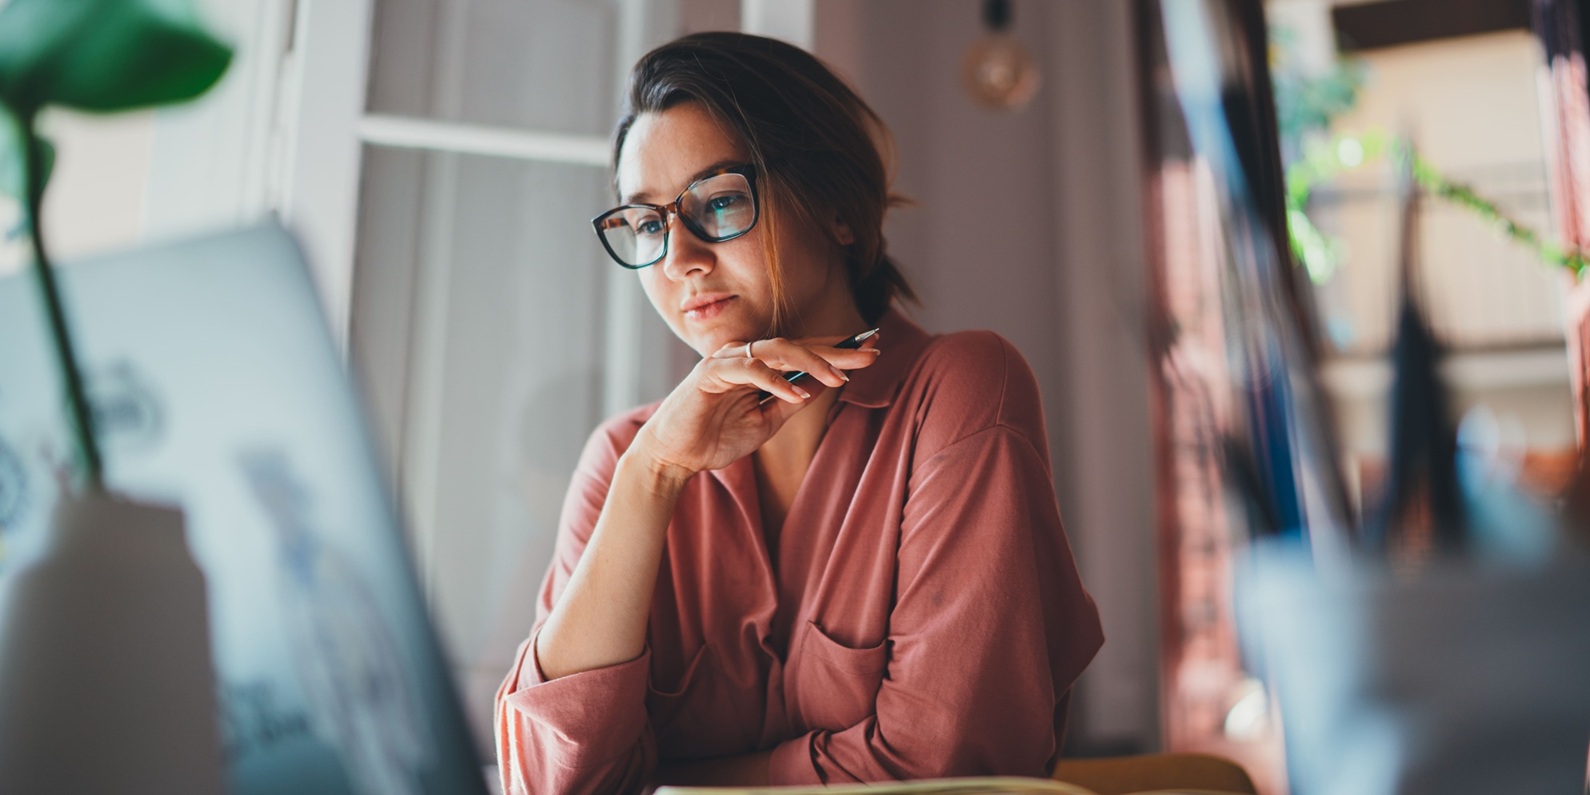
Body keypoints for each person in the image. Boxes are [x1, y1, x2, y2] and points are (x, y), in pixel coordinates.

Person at [494, 31, 1103, 794]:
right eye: (649, 224)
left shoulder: (959, 392)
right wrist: (651, 476)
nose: (679, 259)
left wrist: (666, 782)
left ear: (837, 209)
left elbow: (942, 770)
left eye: (719, 201)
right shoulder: (628, 457)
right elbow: (548, 782)